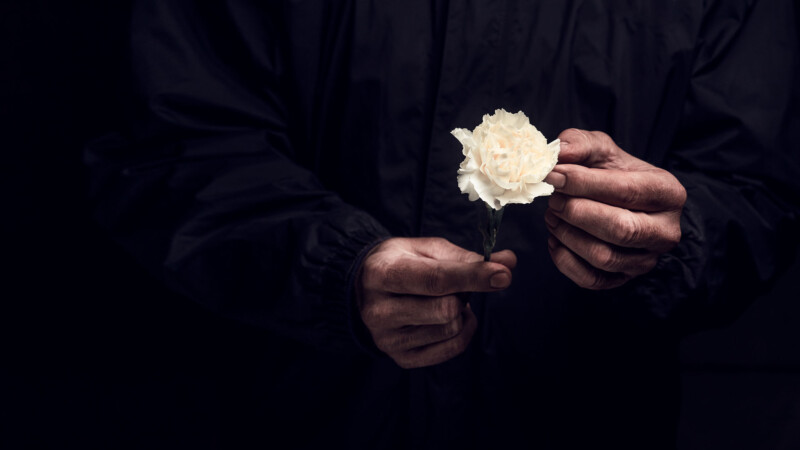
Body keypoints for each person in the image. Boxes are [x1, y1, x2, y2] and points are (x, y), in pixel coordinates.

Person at [85, 1, 800, 448]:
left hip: (582, 419)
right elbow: (170, 143)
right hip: (303, 414)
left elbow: (760, 188)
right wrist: (335, 273)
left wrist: (672, 238)